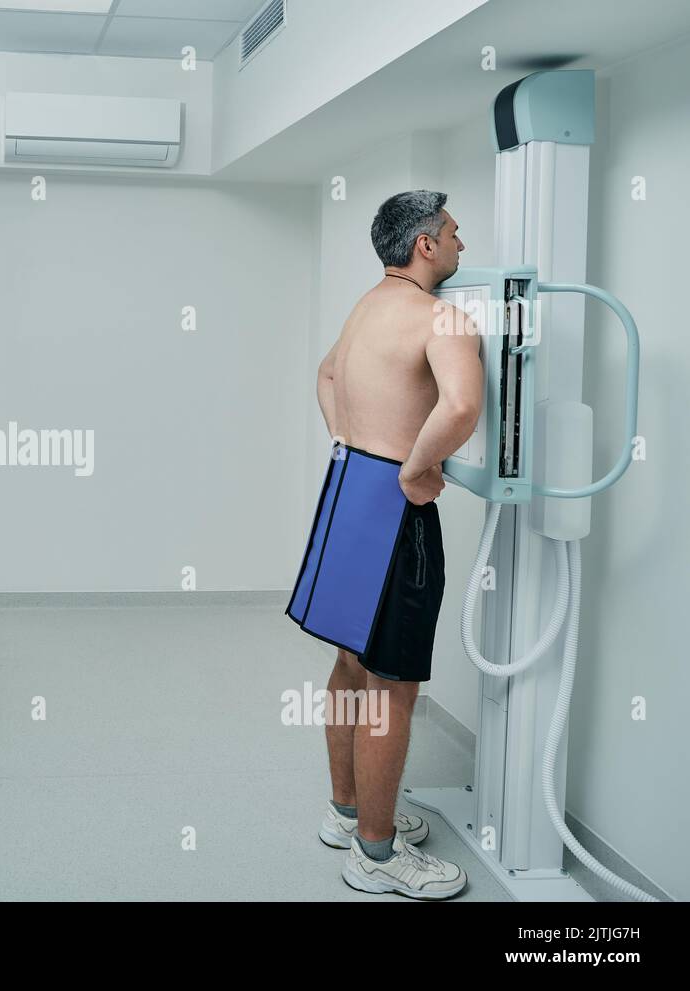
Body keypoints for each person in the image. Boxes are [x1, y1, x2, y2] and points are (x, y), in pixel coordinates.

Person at [287, 191, 482, 899]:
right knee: (393, 686)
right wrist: (414, 465)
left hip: (346, 491)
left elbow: (328, 373)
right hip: (395, 506)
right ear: (425, 245)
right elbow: (461, 406)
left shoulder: (367, 306)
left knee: (350, 664)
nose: (462, 244)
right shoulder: (442, 317)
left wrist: (351, 441)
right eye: (454, 234)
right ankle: (375, 852)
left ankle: (347, 812)